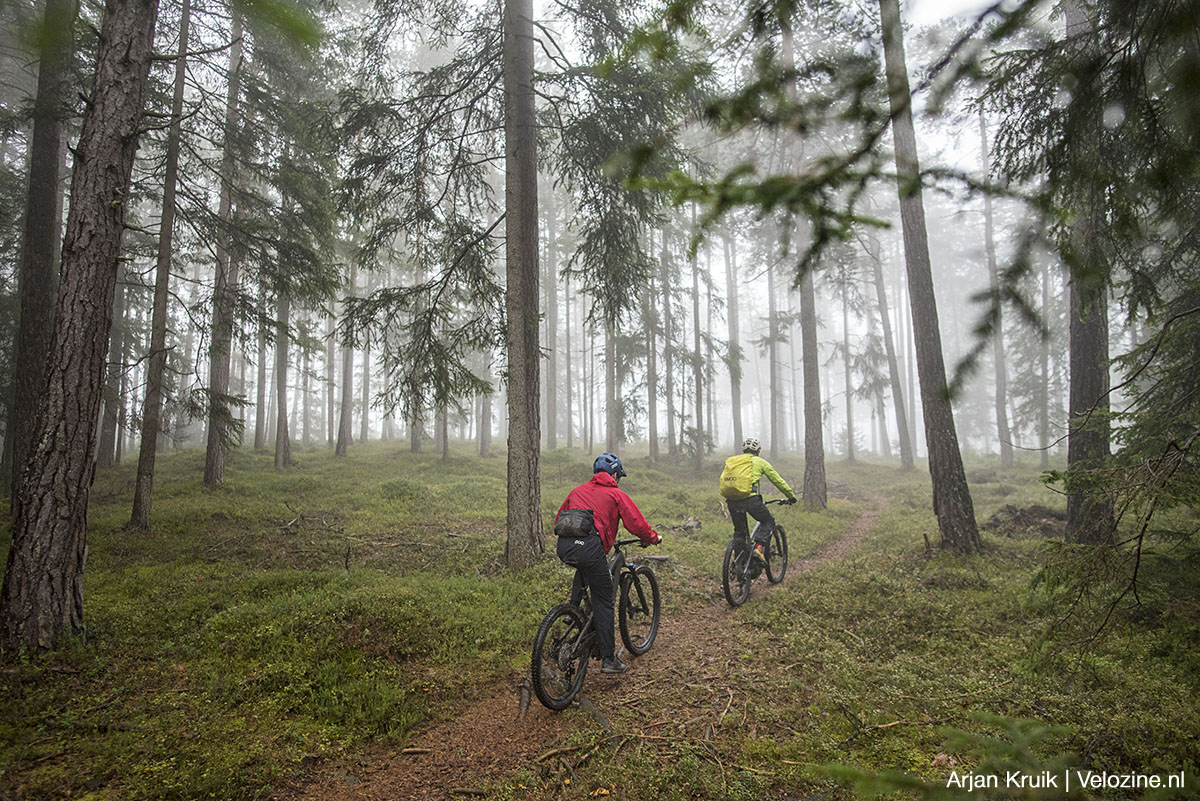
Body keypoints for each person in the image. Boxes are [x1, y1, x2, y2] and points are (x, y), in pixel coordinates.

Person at [554, 452, 661, 674]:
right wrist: (652, 537)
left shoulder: (577, 490)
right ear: (614, 474)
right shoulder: (615, 494)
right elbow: (637, 523)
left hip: (565, 547)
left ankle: (571, 612)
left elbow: (559, 519)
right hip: (591, 548)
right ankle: (609, 659)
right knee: (604, 600)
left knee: (584, 565)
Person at [719, 437, 797, 570]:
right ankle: (759, 549)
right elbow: (778, 481)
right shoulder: (760, 462)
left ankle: (739, 564)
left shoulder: (735, 462)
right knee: (768, 520)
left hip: (732, 501)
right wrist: (791, 496)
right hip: (751, 501)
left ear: (744, 451)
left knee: (740, 533)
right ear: (758, 451)